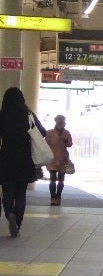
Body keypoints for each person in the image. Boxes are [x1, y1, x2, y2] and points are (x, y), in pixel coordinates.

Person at [0, 87, 46, 237]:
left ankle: (10, 214)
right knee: (20, 193)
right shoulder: (28, 115)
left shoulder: (2, 115)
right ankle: (17, 223)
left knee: (8, 192)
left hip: (6, 158)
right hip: (25, 160)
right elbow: (42, 132)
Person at [45, 114, 74, 205]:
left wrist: (65, 140)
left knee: (61, 181)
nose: (62, 123)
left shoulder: (67, 133)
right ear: (56, 122)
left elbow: (70, 144)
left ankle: (58, 197)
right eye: (61, 122)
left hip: (63, 159)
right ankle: (53, 198)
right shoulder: (49, 133)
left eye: (63, 122)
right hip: (52, 160)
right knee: (53, 179)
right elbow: (45, 144)